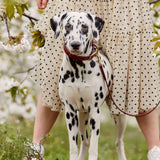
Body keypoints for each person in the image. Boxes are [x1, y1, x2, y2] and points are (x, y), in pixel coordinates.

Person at [30, 0, 160, 159]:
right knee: (56, 72)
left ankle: (155, 152)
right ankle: (36, 150)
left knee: (135, 72)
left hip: (124, 4)